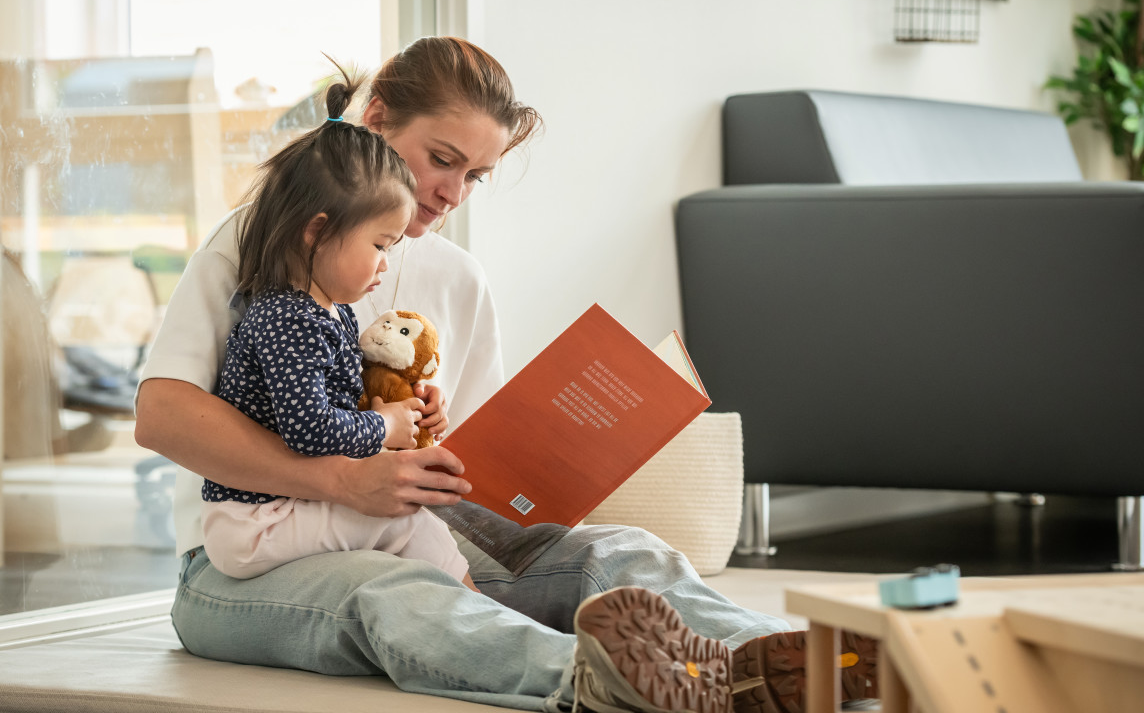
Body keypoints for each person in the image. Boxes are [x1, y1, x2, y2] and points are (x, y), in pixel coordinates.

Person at [135, 36, 876, 713]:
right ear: (378, 117)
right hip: (243, 566)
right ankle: (609, 685)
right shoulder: (264, 238)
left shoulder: (458, 278)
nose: (454, 192)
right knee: (399, 592)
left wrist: (494, 460)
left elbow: (471, 463)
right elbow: (162, 415)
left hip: (404, 530)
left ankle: (793, 666)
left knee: (619, 552)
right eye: (443, 158)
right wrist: (342, 480)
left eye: (477, 176)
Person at [198, 67, 474, 590]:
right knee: (411, 527)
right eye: (379, 246)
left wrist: (408, 408)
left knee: (415, 531)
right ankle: (490, 621)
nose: (385, 265)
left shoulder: (331, 310)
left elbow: (338, 397)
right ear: (317, 232)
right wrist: (387, 426)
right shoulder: (287, 318)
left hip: (286, 510)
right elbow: (311, 430)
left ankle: (487, 618)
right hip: (254, 523)